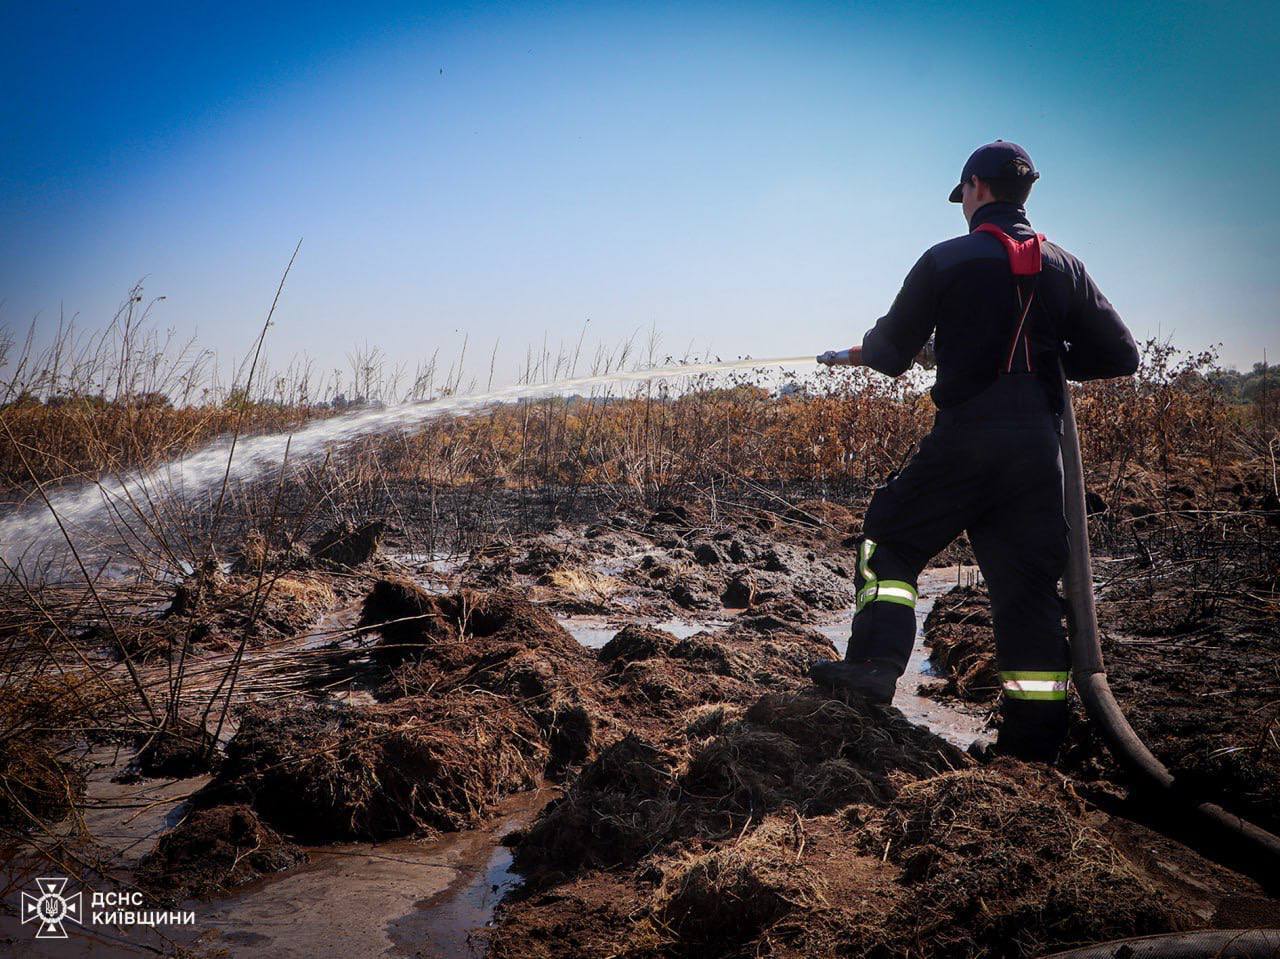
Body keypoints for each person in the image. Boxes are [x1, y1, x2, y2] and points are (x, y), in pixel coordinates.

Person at [811, 140, 1139, 762]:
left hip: (968, 439)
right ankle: (1033, 744)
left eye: (962, 194)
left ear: (976, 189)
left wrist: (853, 354)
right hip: (1038, 455)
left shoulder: (946, 260)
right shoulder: (1065, 266)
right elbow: (1121, 356)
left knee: (892, 537)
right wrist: (1050, 358)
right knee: (1027, 588)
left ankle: (875, 668)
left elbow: (888, 354)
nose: (961, 205)